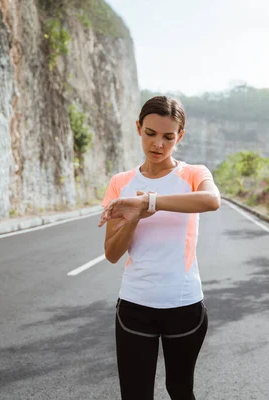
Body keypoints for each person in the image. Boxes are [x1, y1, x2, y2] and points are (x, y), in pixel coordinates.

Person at [98, 95, 221, 400]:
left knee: (179, 390)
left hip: (184, 306)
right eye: (150, 134)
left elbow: (211, 200)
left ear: (180, 136)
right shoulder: (121, 183)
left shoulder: (193, 174)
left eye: (168, 137)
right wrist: (134, 216)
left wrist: (149, 201)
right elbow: (112, 254)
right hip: (135, 305)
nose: (158, 144)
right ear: (139, 128)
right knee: (135, 395)